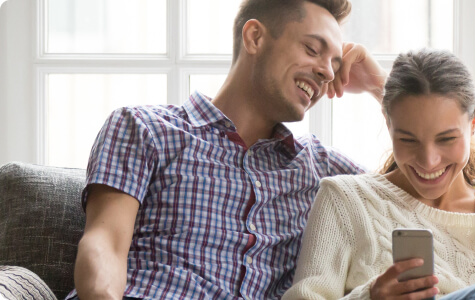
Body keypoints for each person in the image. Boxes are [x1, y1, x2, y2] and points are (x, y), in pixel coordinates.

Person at [70, 0, 388, 298]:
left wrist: (379, 86)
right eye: (312, 49)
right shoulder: (145, 128)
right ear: (254, 37)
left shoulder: (320, 169)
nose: (328, 73)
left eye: (335, 65)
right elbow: (105, 245)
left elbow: (425, 184)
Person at [283, 48, 475, 300]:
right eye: (408, 140)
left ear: (474, 123)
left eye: (446, 139)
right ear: (387, 124)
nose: (429, 161)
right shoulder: (346, 199)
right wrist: (371, 297)